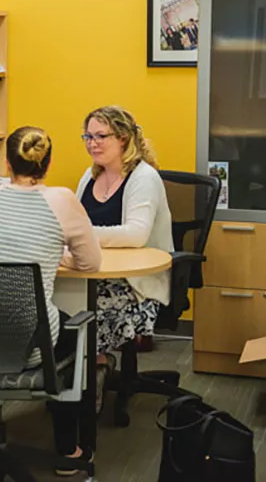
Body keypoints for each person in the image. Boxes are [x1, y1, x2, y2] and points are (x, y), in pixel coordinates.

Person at [0, 126, 101, 474]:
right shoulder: (63, 200)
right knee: (71, 330)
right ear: (47, 166)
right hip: (27, 346)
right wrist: (55, 254)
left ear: (7, 164)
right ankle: (67, 450)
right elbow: (91, 264)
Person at [75, 106, 173, 409]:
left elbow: (135, 235)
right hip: (93, 274)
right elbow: (74, 224)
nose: (93, 143)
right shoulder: (89, 177)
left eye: (101, 136)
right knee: (55, 306)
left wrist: (84, 235)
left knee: (88, 315)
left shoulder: (143, 177)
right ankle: (87, 373)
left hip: (136, 286)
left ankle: (91, 374)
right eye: (88, 136)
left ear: (123, 139)